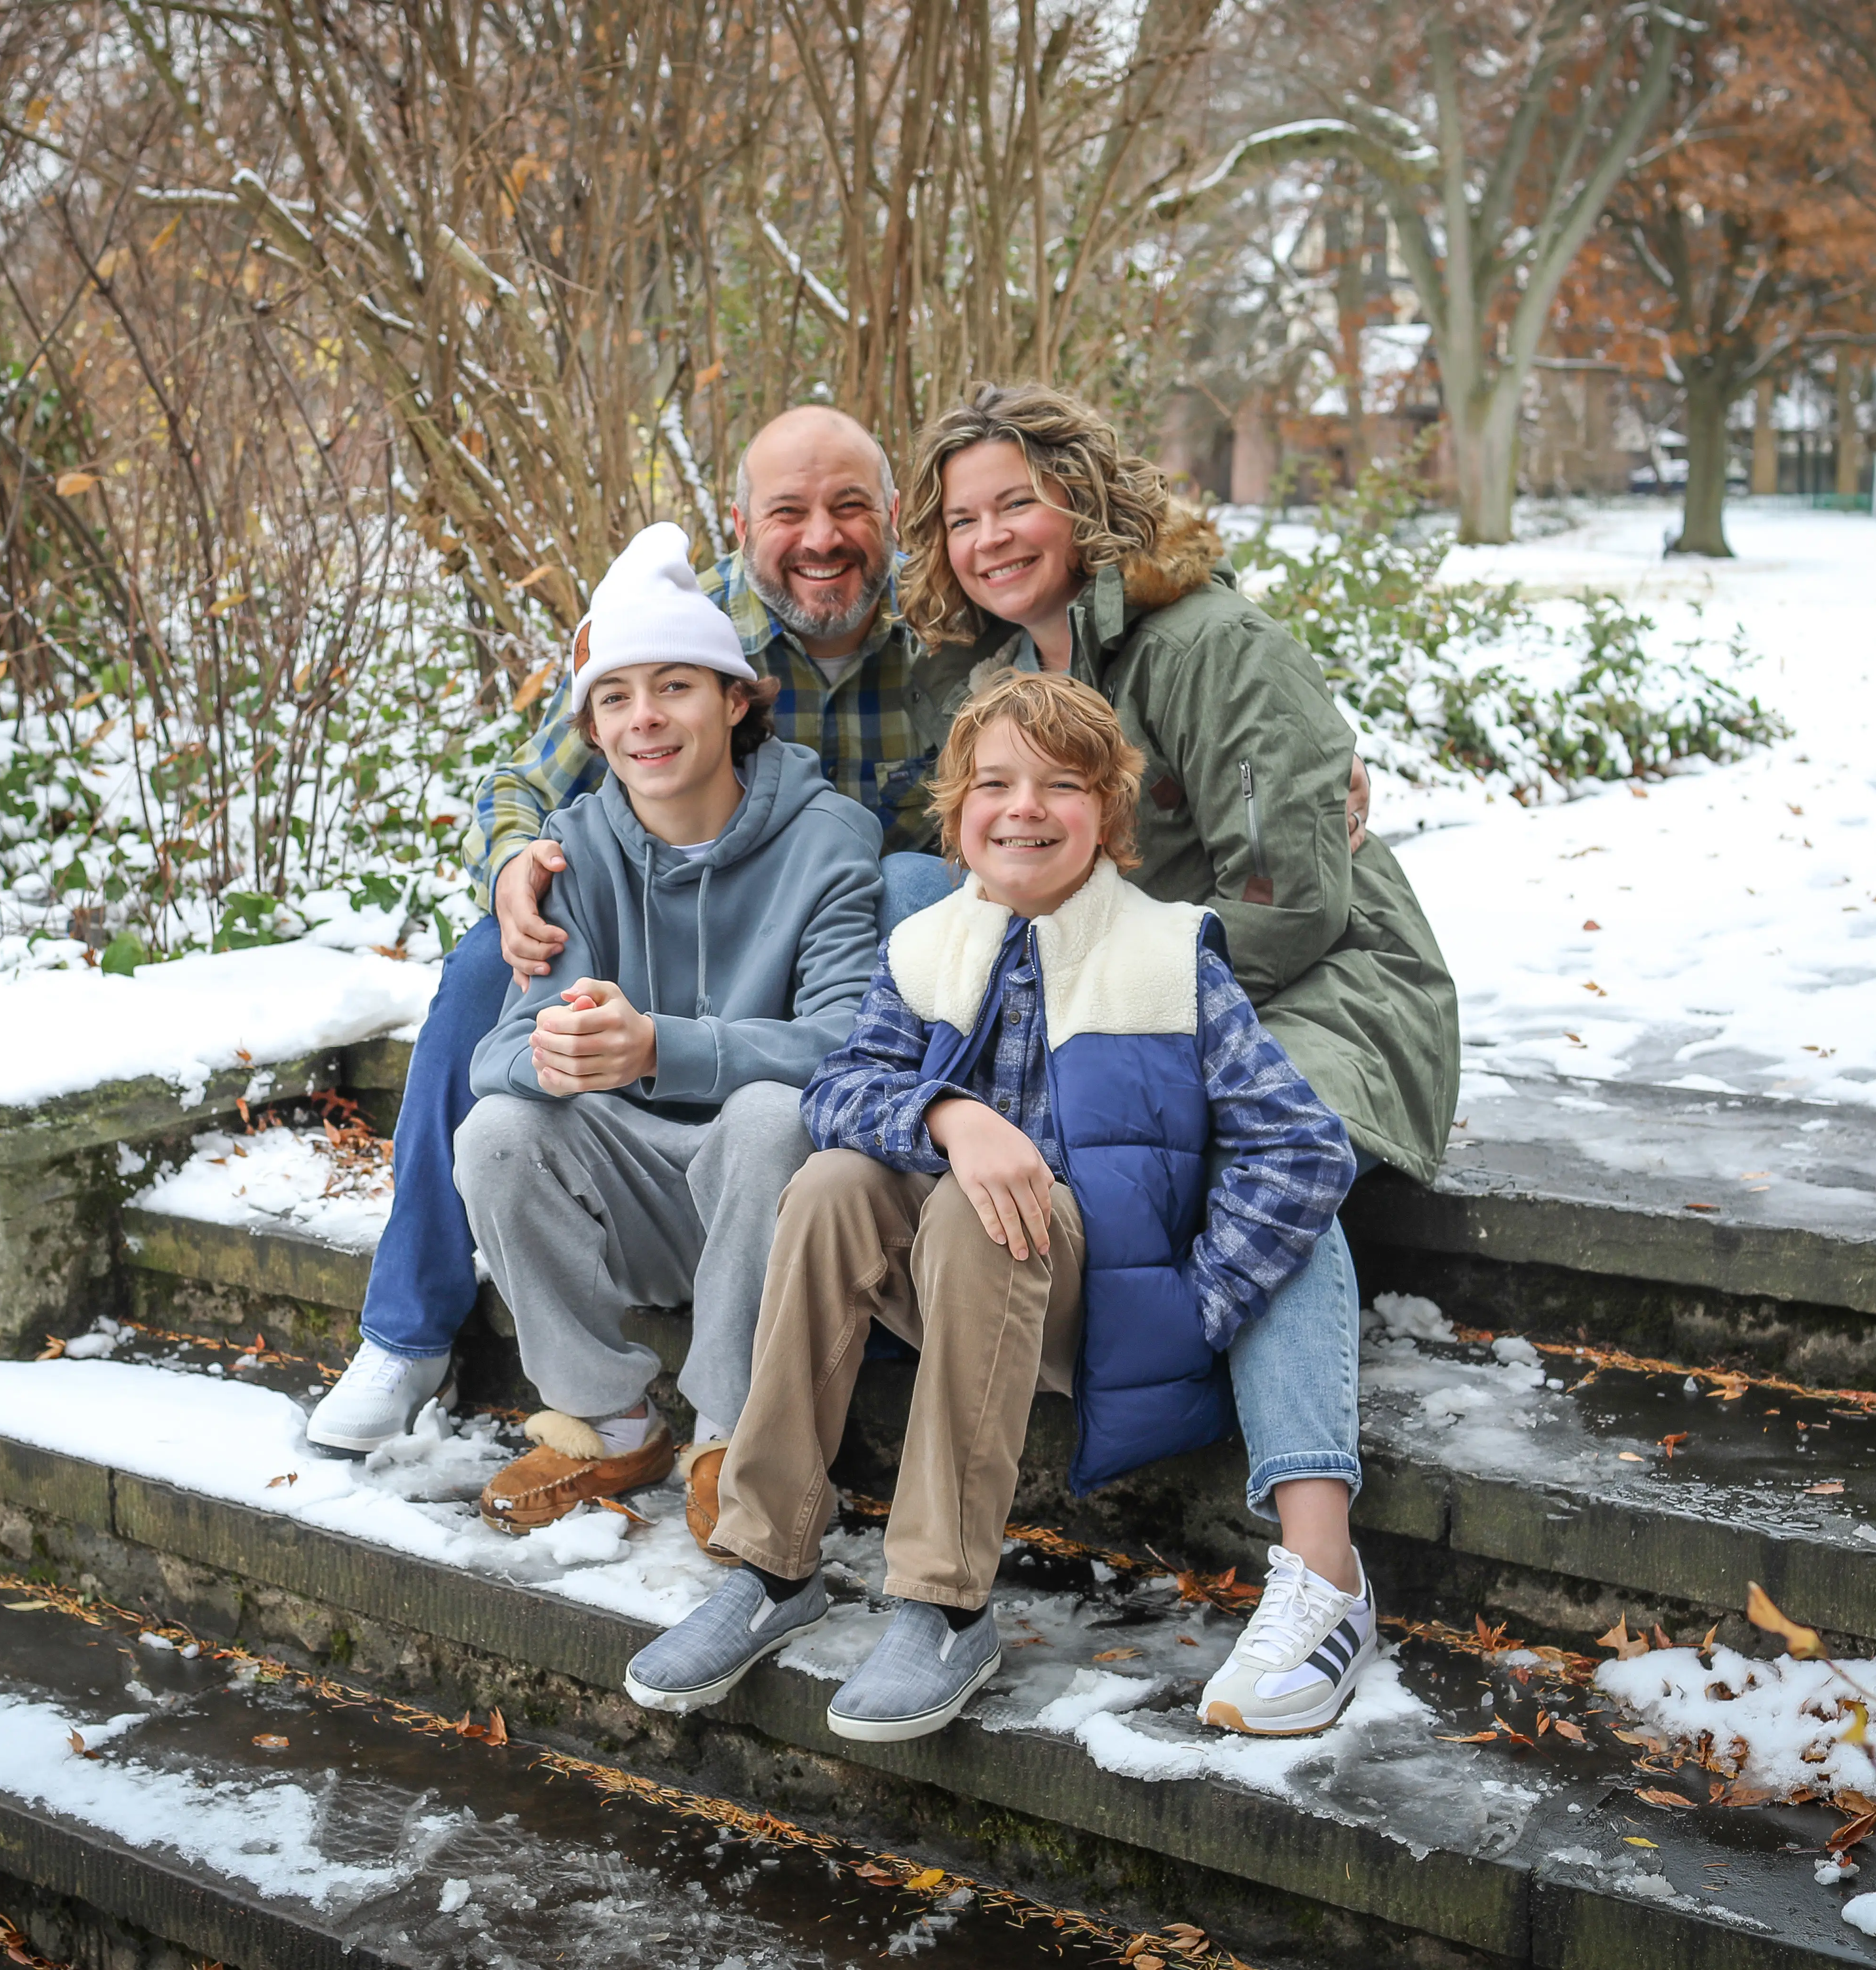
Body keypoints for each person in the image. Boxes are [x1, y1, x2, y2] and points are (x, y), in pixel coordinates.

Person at [624, 673, 1355, 1741]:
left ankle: (942, 1602)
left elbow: (1300, 1148)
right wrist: (950, 1118)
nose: (1024, 808)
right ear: (958, 811)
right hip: (956, 1291)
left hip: (1092, 1301)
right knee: (830, 1183)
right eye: (995, 783)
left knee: (975, 1213)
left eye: (1063, 785)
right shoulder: (926, 946)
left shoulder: (1166, 959)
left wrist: (1199, 1305)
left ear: (1106, 817)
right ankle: (770, 1563)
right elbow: (837, 1090)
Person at [891, 383, 1462, 1738]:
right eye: (963, 517)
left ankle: (1323, 1571)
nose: (990, 536)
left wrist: (1134, 1013)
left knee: (1264, 1146)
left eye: (1015, 500)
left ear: (1083, 500)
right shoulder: (1000, 686)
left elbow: (1296, 896)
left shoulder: (1213, 645)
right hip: (1146, 993)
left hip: (1322, 984)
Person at [310, 407, 938, 1463]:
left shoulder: (948, 625)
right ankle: (410, 1327)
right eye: (788, 512)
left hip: (828, 960)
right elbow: (533, 782)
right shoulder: (680, 630)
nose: (822, 538)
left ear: (894, 518)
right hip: (657, 969)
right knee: (493, 956)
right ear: (740, 524)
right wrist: (521, 868)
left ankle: (891, 1240)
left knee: (917, 885)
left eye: (850, 509)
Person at [448, 523, 883, 1539]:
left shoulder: (827, 844)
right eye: (615, 698)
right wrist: (556, 1056)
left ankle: (736, 1438)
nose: (645, 719)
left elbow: (848, 1045)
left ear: (735, 702)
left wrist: (661, 1049)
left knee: (773, 1113)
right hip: (636, 1197)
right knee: (498, 1130)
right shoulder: (578, 851)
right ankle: (607, 1420)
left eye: (675, 687)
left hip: (777, 1206)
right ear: (593, 731)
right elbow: (502, 1053)